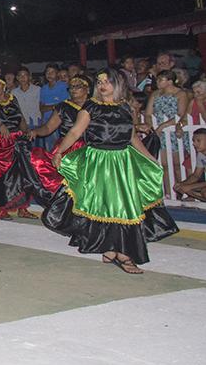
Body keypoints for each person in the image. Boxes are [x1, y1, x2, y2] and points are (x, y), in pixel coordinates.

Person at [43, 69, 178, 273]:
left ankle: (113, 250)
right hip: (100, 162)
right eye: (99, 81)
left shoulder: (125, 107)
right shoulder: (91, 106)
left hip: (122, 161)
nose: (102, 85)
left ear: (118, 84)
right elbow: (75, 131)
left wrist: (150, 159)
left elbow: (132, 137)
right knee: (110, 207)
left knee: (125, 206)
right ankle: (122, 254)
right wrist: (59, 151)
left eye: (107, 81)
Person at [26, 74, 92, 205]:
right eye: (71, 87)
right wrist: (36, 131)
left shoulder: (95, 106)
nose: (73, 90)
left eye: (78, 86)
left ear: (87, 89)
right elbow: (48, 127)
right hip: (67, 149)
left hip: (90, 149)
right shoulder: (63, 107)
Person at [0, 76, 37, 220]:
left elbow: (21, 118)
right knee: (2, 175)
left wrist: (26, 131)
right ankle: (3, 209)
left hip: (16, 138)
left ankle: (22, 208)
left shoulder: (12, 99)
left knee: (22, 173)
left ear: (4, 86)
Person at [37, 64, 70, 151]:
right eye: (47, 72)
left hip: (60, 122)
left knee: (59, 149)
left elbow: (64, 106)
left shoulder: (63, 86)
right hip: (46, 122)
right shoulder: (44, 88)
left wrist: (51, 107)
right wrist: (54, 106)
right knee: (49, 149)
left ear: (57, 74)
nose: (49, 74)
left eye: (52, 72)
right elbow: (42, 108)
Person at [173, 129, 206, 201]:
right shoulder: (201, 155)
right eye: (193, 141)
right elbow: (196, 176)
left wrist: (190, 186)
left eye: (198, 141)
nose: (194, 144)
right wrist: (182, 184)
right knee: (183, 188)